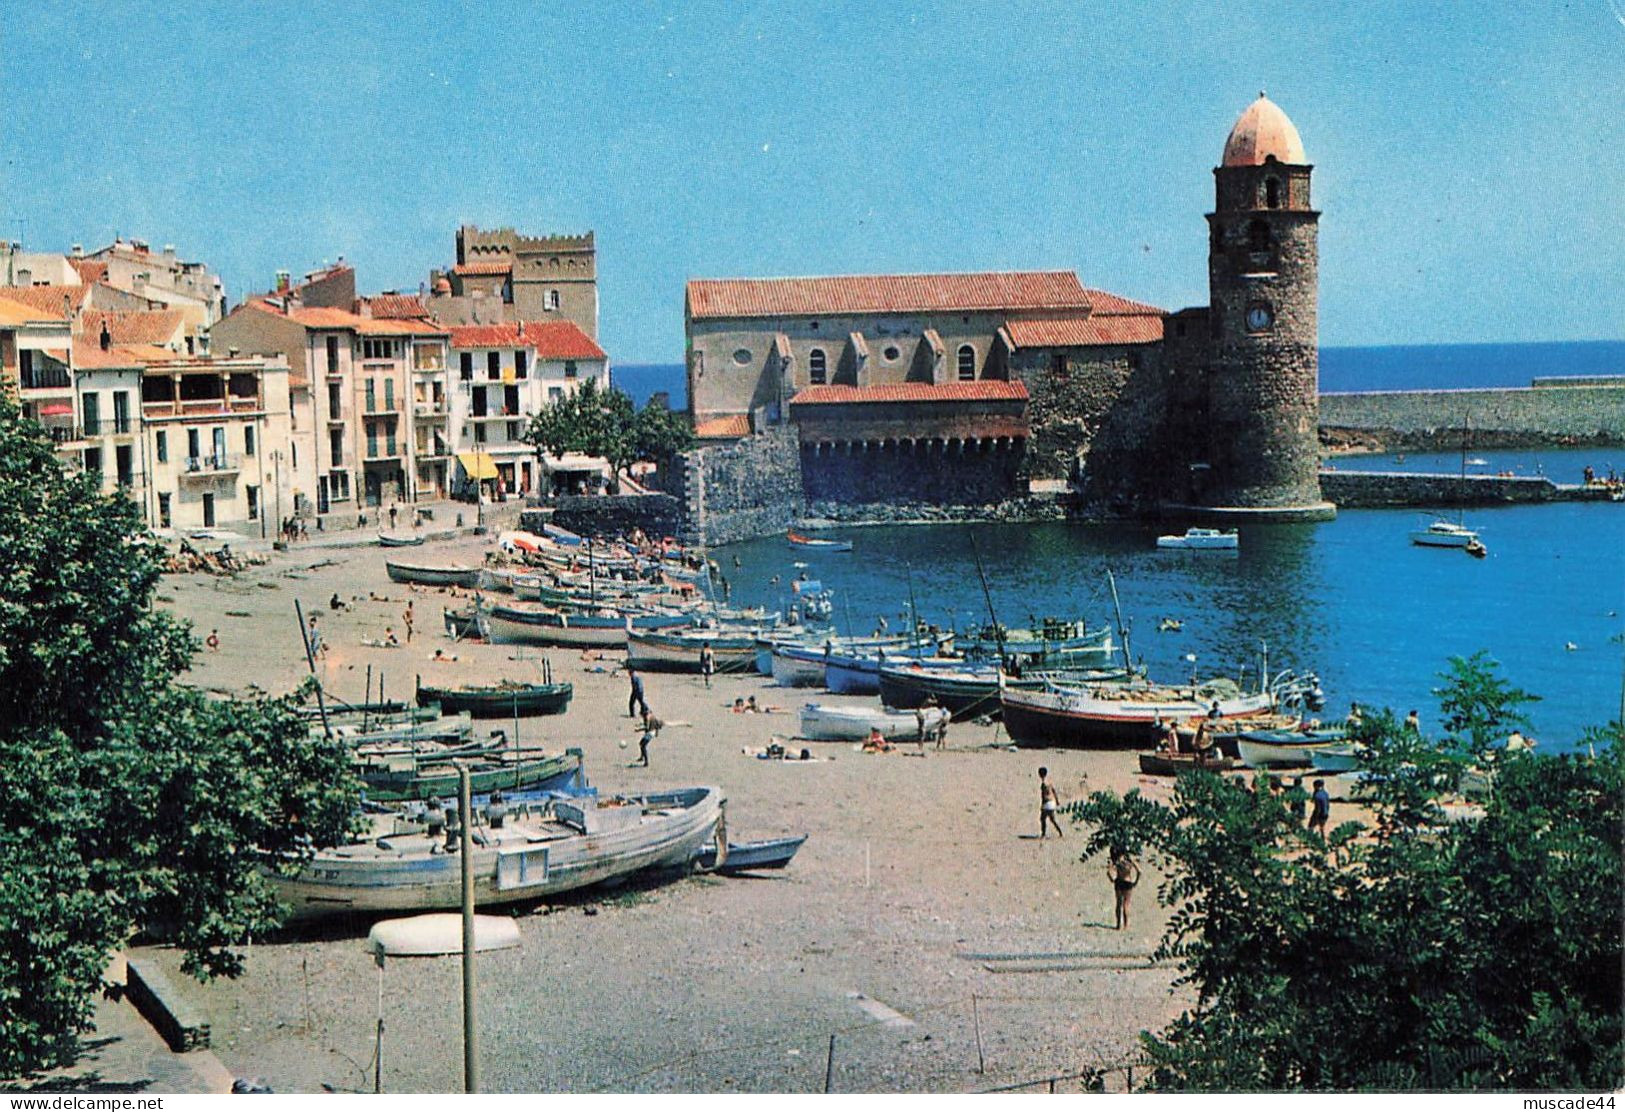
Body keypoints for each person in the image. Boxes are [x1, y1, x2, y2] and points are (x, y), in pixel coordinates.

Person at [1107, 849, 1141, 930]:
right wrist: (1136, 881)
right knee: (1126, 904)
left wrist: (1112, 879)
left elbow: (1108, 871)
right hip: (1127, 882)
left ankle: (1118, 925)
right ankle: (1126, 925)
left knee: (1118, 904)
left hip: (1118, 882)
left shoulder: (1117, 862)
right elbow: (1139, 871)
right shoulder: (1129, 862)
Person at [1038, 767, 1064, 839]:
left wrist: (1042, 805)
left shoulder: (1043, 784)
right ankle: (1060, 831)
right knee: (1052, 819)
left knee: (1042, 819)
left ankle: (1043, 834)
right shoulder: (1050, 782)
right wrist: (1057, 801)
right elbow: (1054, 791)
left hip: (1047, 803)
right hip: (1052, 802)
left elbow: (1043, 796)